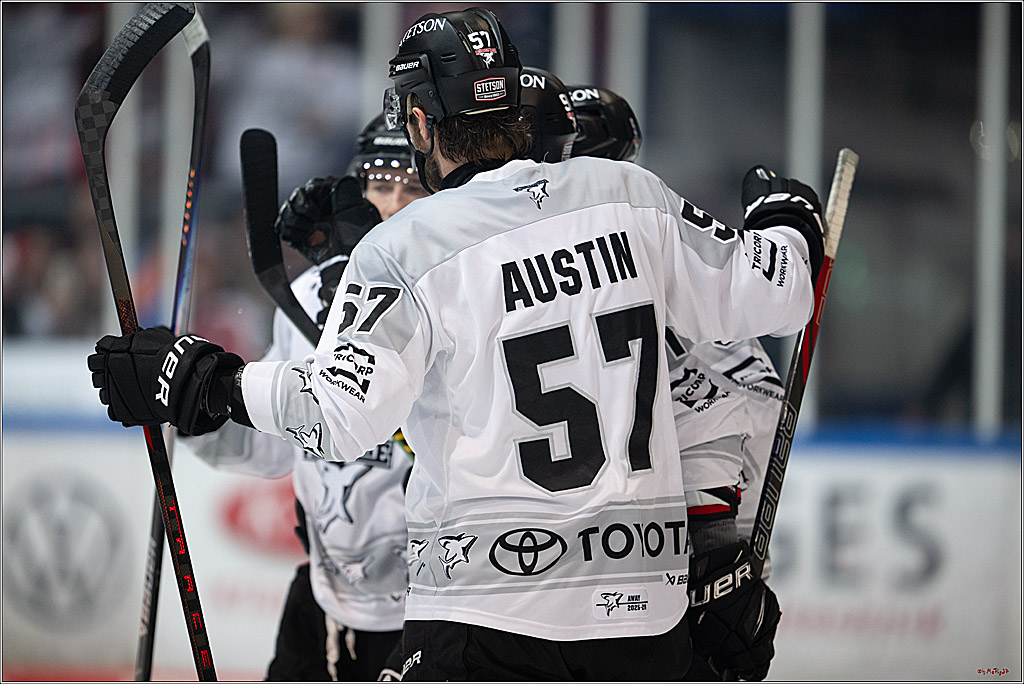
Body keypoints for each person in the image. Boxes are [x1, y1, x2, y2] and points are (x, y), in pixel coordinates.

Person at [87, 7, 825, 681]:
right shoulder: (630, 197)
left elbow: (343, 416)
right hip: (642, 625)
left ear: (417, 122)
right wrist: (788, 215)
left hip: (486, 623)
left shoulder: (409, 249)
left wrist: (206, 380)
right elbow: (783, 290)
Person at [183, 114, 426, 681]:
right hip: (326, 596)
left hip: (433, 610)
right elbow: (281, 440)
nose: (391, 205)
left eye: (411, 188)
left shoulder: (455, 288)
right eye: (377, 186)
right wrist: (196, 409)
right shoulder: (309, 293)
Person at [565, 83, 786, 679]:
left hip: (646, 580)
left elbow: (757, 417)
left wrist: (722, 556)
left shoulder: (665, 265)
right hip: (576, 582)